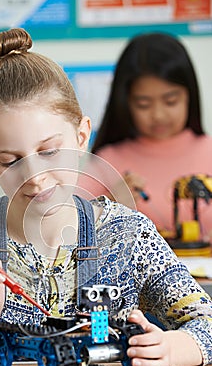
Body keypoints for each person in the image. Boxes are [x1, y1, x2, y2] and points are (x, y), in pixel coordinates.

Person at [0, 28, 212, 366]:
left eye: (49, 152)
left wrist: (171, 347)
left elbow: (206, 321)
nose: (34, 177)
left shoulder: (128, 234)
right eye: (9, 161)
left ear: (81, 137)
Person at [77, 32, 212, 241]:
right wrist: (112, 205)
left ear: (190, 95)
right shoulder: (107, 162)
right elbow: (65, 230)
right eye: (143, 104)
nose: (158, 115)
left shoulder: (209, 151)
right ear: (125, 102)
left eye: (171, 101)